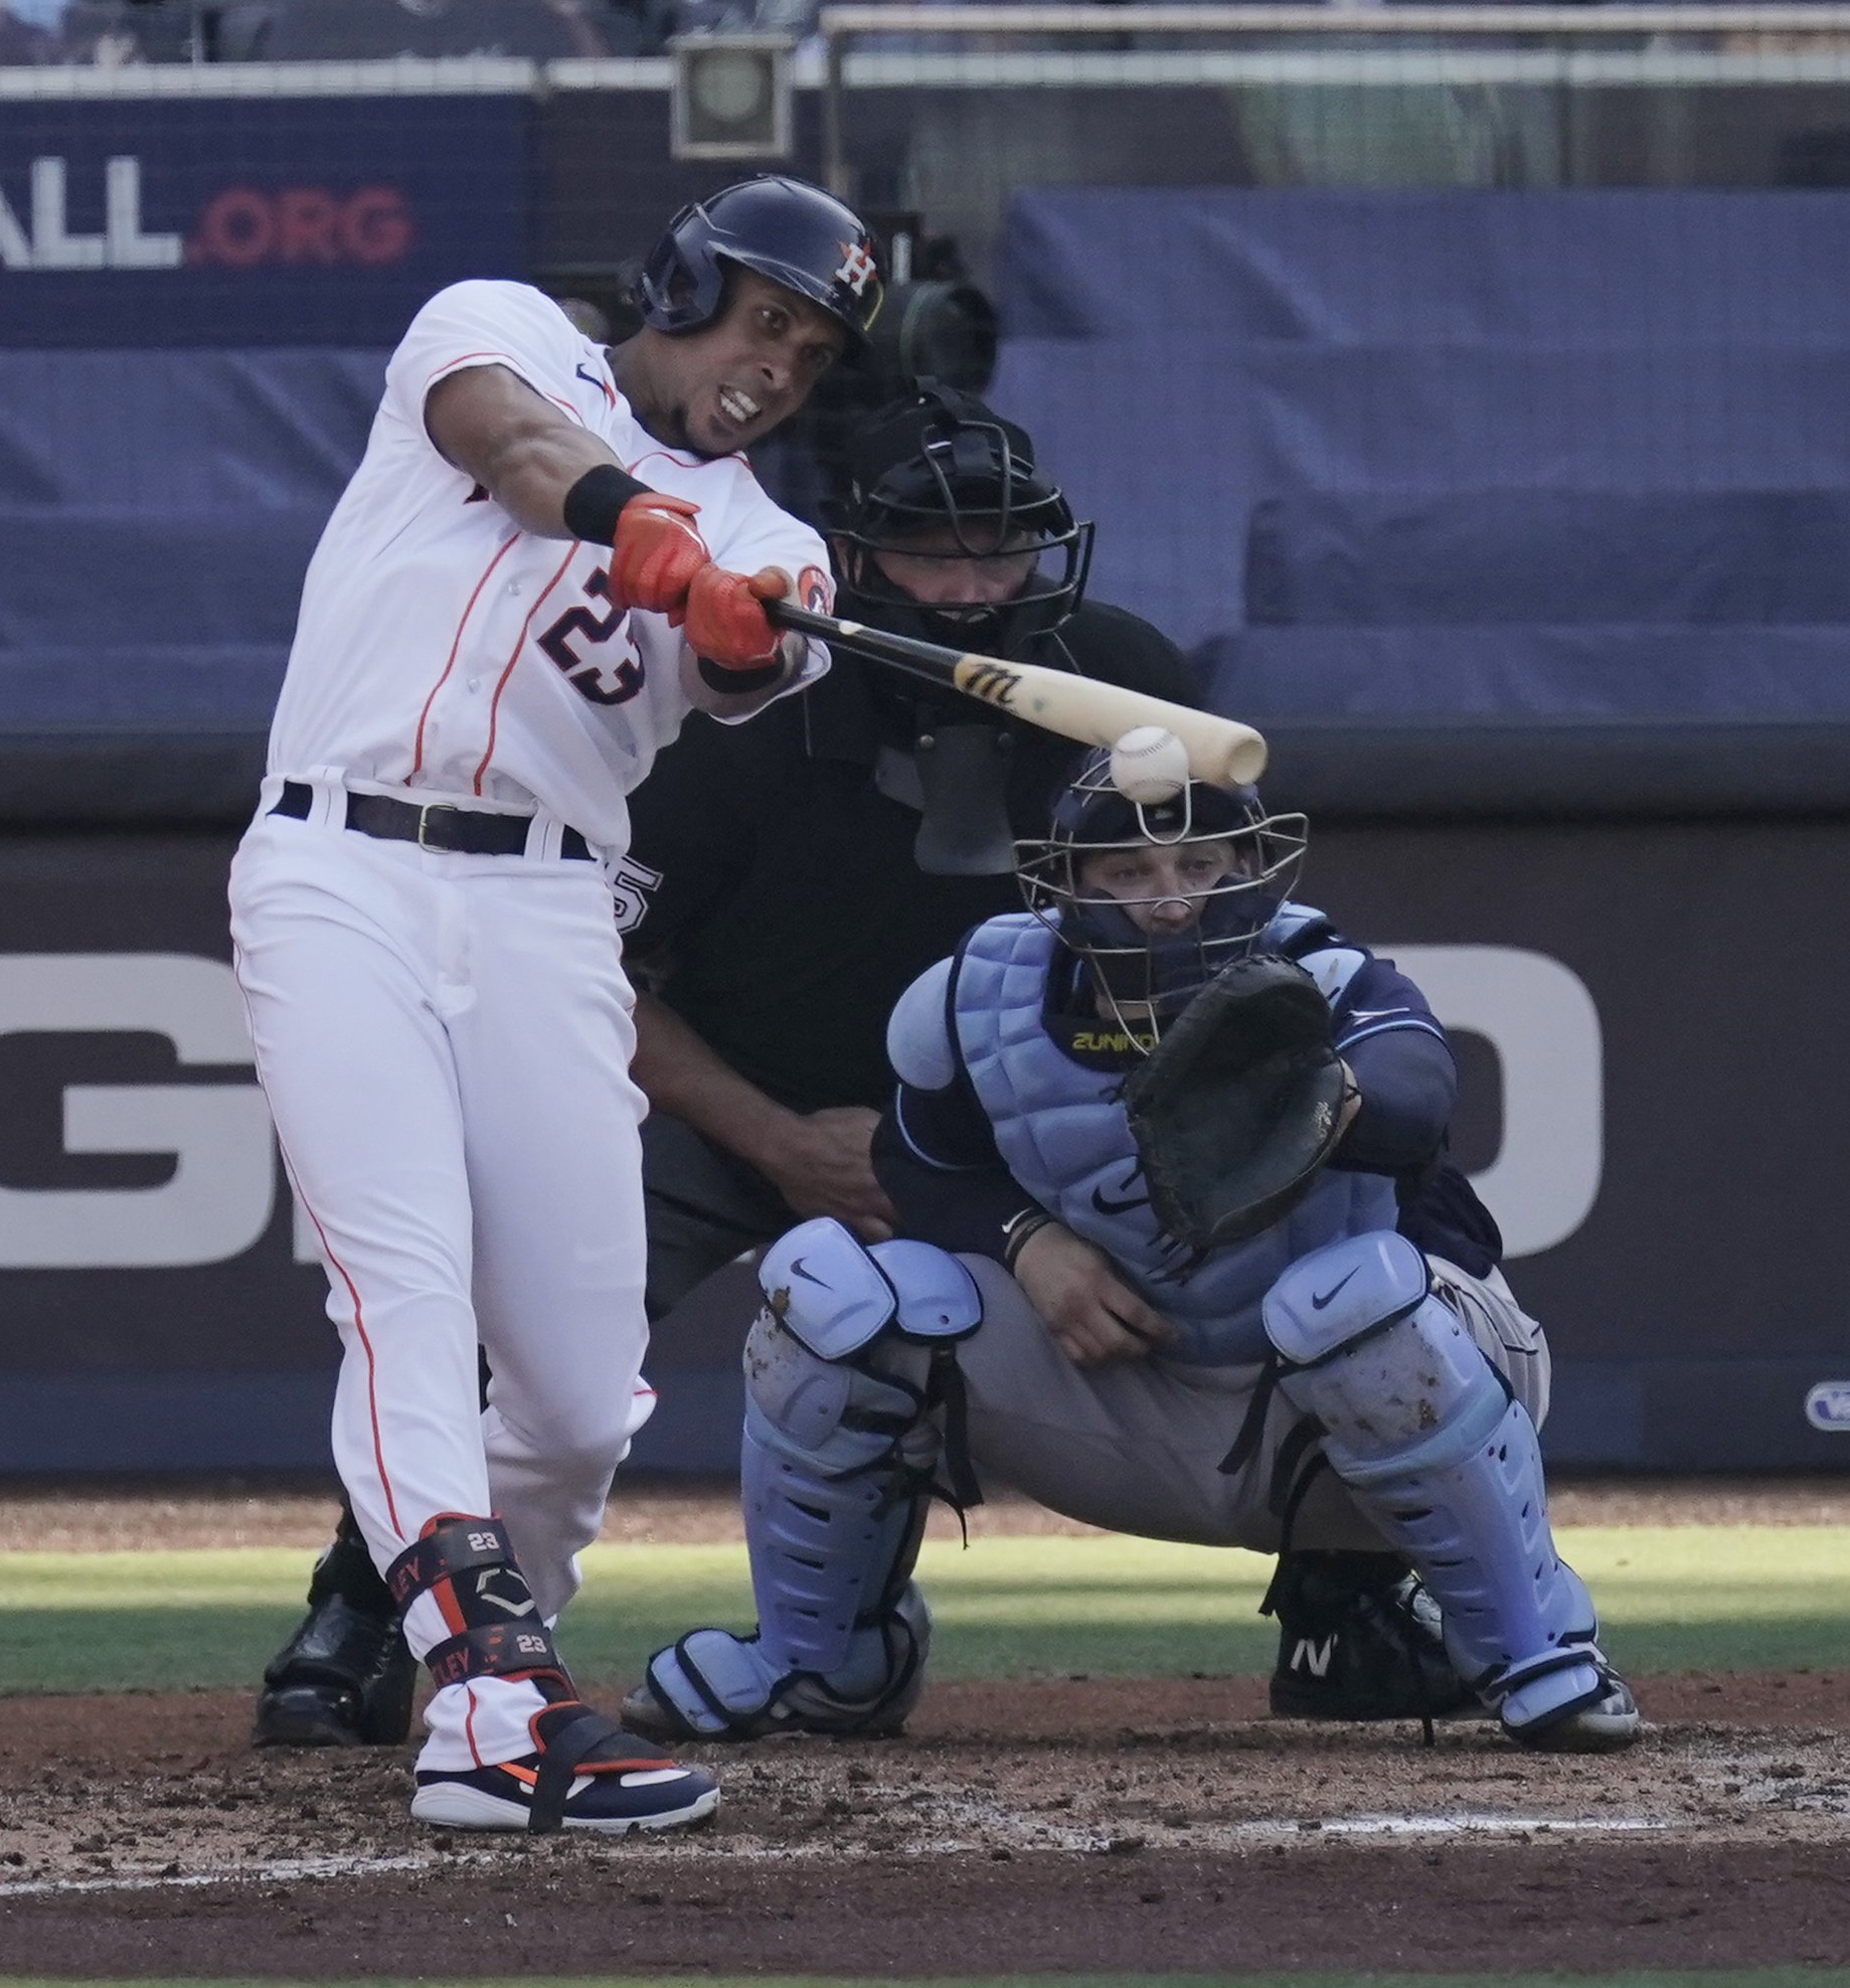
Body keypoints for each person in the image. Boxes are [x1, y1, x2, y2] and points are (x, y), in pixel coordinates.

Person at [255, 386, 1473, 1753]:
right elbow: (604, 978)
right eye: (928, 555)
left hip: (1013, 1115)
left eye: (998, 549)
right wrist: (780, 1142)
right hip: (730, 1102)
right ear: (853, 554)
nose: (967, 587)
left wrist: (1036, 1183)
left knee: (1303, 1207)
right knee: (522, 1309)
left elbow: (1214, 931)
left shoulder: (1118, 677)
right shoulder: (744, 693)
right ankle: (364, 1614)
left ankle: (1342, 1607)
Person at [229, 173, 881, 1835]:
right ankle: (493, 1704)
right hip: (340, 865)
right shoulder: (502, 325)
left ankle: (484, 1637)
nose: (774, 367)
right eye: (763, 319)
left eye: (807, 354)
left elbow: (748, 665)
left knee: (583, 1398)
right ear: (684, 281)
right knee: (400, 1290)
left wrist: (741, 626)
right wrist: (635, 529)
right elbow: (506, 442)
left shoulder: (778, 541)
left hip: (544, 904)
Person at [623, 755, 1642, 1753]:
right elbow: (919, 1163)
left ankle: (1525, 1642)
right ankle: (822, 1659)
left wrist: (1314, 1101)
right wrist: (1026, 1242)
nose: (1172, 902)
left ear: (1253, 864)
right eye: (1131, 873)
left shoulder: (1328, 975)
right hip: (1126, 1391)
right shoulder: (978, 997)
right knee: (828, 1286)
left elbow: (1417, 1095)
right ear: (1064, 885)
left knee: (1350, 1299)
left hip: (1350, 1416)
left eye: (1202, 866)